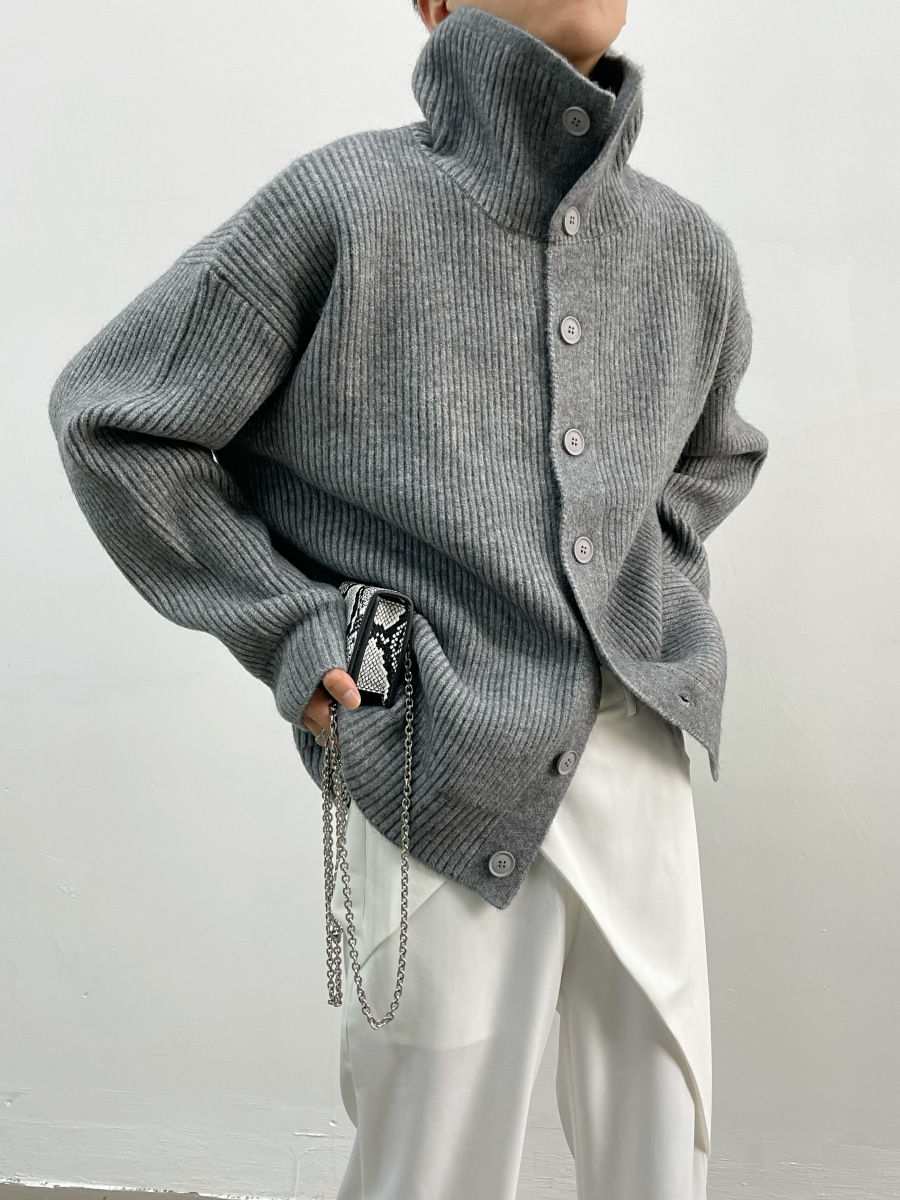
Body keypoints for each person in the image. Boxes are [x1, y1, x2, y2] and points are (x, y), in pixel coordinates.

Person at [48, 1, 769, 1196]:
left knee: (660, 1137)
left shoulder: (689, 253)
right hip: (429, 742)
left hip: (636, 750)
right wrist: (293, 623)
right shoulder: (344, 207)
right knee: (433, 1153)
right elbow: (117, 422)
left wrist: (637, 578)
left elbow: (720, 454)